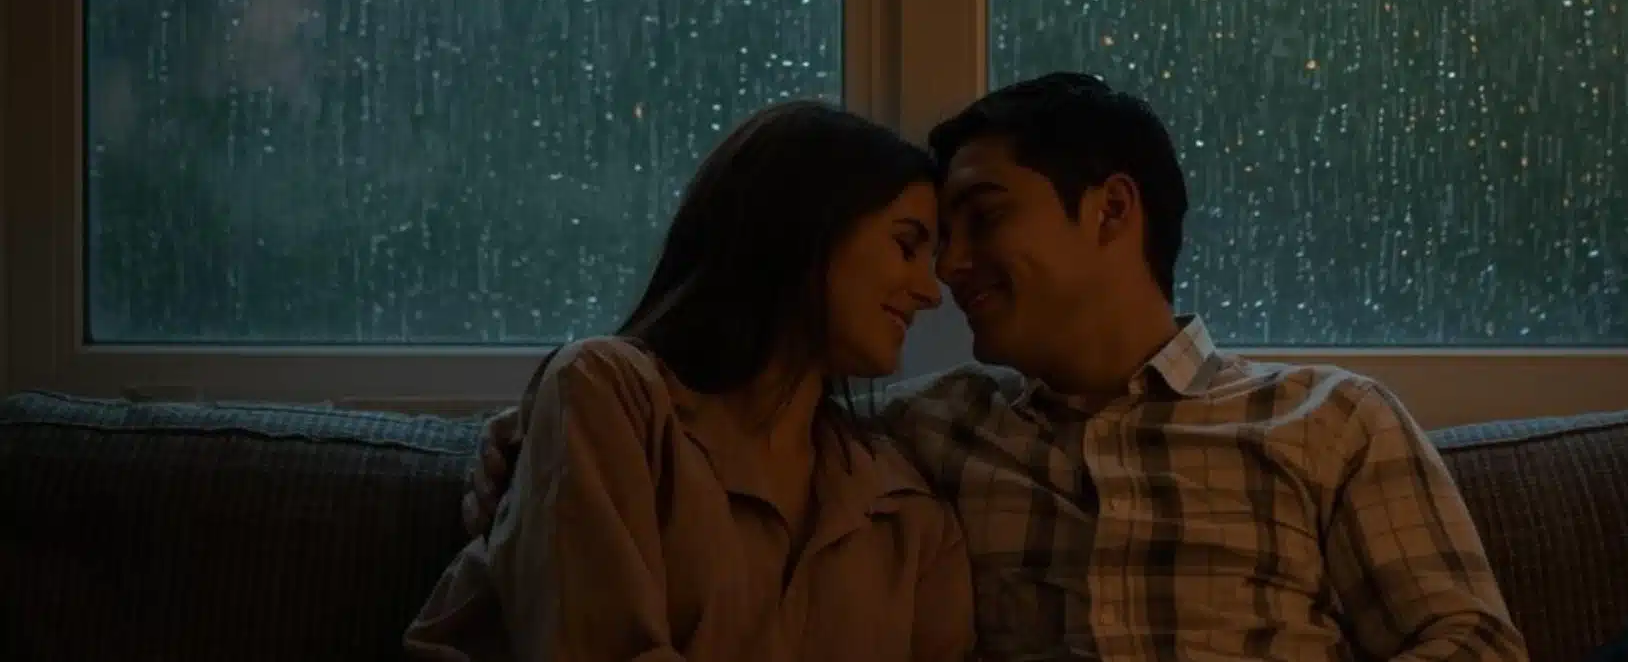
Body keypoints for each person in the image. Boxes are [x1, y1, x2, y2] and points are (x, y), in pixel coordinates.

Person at [461, 73, 1530, 662]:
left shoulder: (1328, 421)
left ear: (1112, 211)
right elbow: (715, 426)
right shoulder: (925, 444)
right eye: (926, 241)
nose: (950, 275)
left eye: (978, 222)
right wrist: (530, 438)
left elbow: (1470, 645)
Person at [404, 101, 974, 662]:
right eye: (905, 245)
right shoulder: (612, 393)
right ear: (803, 226)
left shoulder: (908, 510)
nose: (930, 291)